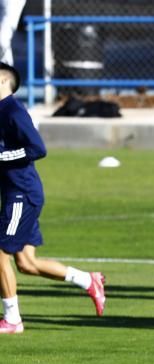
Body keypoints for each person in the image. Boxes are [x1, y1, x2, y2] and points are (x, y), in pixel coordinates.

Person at [0, 62, 105, 334]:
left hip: (22, 195)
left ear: (2, 81)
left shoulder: (12, 110)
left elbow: (37, 148)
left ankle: (12, 320)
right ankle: (88, 280)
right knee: (26, 263)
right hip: (18, 194)